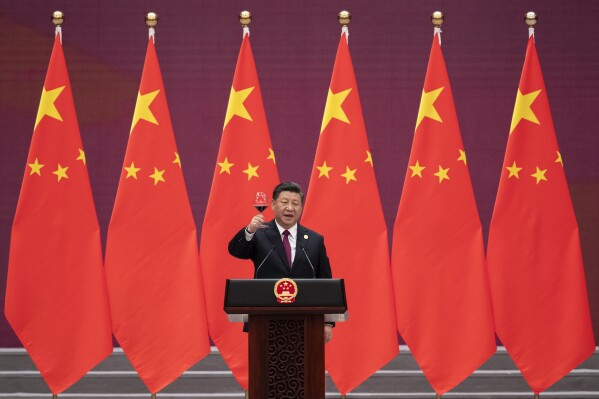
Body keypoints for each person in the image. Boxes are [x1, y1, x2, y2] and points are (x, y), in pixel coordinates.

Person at [228, 181, 334, 343]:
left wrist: (327, 322)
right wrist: (249, 231)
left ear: (301, 207)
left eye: (295, 203)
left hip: (305, 318)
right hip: (264, 317)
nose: (290, 208)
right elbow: (236, 251)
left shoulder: (314, 239)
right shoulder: (259, 233)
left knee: (304, 367)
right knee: (265, 367)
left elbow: (325, 281)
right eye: (284, 202)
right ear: (273, 204)